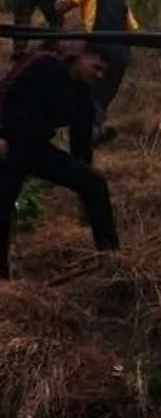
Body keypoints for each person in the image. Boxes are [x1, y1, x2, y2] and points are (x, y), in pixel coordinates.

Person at [0, 42, 121, 279]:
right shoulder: (43, 63)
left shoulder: (83, 97)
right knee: (2, 204)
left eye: (103, 73)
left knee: (94, 183)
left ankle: (112, 261)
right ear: (82, 56)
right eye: (96, 67)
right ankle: (2, 279)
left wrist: (84, 194)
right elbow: (4, 92)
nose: (98, 75)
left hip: (36, 148)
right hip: (8, 143)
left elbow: (81, 146)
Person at [56, 0, 141, 147]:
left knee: (86, 92)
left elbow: (64, 6)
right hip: (122, 53)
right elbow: (134, 28)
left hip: (99, 46)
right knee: (103, 97)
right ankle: (96, 130)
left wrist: (56, 6)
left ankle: (90, 134)